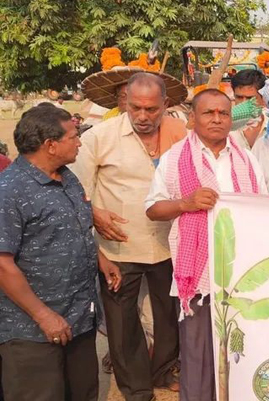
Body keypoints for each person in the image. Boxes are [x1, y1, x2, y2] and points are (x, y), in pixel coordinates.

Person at [145, 89, 267, 401]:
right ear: (193, 118)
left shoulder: (247, 160)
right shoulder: (174, 159)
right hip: (196, 276)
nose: (216, 119)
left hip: (240, 271)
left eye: (223, 113)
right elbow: (153, 209)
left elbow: (265, 209)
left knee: (242, 350)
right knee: (197, 354)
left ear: (230, 118)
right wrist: (185, 203)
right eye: (208, 113)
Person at [71, 73, 185, 400]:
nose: (143, 116)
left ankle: (163, 370)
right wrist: (94, 215)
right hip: (118, 244)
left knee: (168, 314)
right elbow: (78, 190)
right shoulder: (99, 137)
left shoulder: (180, 134)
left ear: (165, 104)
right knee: (122, 322)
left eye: (151, 109)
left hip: (168, 242)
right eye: (136, 108)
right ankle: (136, 388)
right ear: (125, 103)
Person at [0, 105, 122, 401]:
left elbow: (73, 228)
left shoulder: (67, 177)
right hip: (32, 331)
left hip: (78, 318)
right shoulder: (10, 191)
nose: (79, 142)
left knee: (83, 392)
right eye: (73, 136)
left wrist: (100, 259)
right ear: (50, 145)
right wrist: (43, 316)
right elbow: (3, 265)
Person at [229, 69, 268, 149]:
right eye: (239, 97)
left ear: (263, 98)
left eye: (250, 98)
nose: (244, 103)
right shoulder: (225, 128)